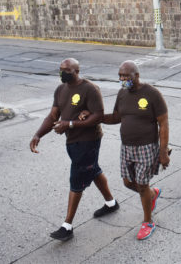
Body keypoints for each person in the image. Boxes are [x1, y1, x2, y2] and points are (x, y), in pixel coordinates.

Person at [29, 57, 118, 242]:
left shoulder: (90, 89)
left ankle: (67, 226)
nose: (62, 73)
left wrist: (69, 124)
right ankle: (111, 203)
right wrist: (38, 134)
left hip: (88, 141)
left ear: (76, 71)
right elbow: (53, 115)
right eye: (60, 69)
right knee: (93, 170)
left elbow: (98, 116)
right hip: (72, 143)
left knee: (76, 179)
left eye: (66, 70)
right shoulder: (60, 89)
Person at [99, 61, 169, 241]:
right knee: (128, 182)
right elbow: (116, 117)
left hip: (146, 147)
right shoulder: (122, 93)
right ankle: (152, 195)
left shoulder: (152, 94)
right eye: (120, 76)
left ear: (136, 76)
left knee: (142, 185)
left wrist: (163, 152)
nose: (122, 79)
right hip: (126, 147)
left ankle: (148, 222)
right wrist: (95, 118)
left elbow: (163, 123)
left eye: (126, 76)